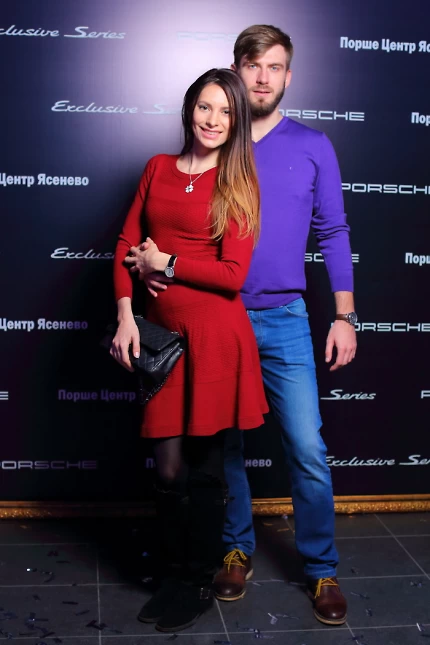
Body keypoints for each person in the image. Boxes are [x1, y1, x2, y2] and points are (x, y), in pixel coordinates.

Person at [132, 25, 357, 626]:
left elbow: (333, 231)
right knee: (220, 448)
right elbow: (162, 221)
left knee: (306, 446)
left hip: (282, 317)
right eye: (252, 65)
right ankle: (234, 550)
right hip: (212, 319)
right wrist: (148, 270)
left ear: (288, 76)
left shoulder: (313, 146)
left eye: (274, 66)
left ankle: (321, 567)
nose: (262, 77)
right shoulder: (214, 141)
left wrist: (344, 314)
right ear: (235, 70)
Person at [111, 68, 268, 634]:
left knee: (203, 468)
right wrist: (126, 314)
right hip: (162, 340)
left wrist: (166, 264)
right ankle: (175, 575)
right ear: (189, 109)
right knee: (168, 467)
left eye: (226, 111)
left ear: (237, 121)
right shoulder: (157, 168)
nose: (213, 120)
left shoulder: (238, 183)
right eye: (205, 106)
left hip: (215, 340)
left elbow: (233, 275)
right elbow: (125, 243)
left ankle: (199, 580)